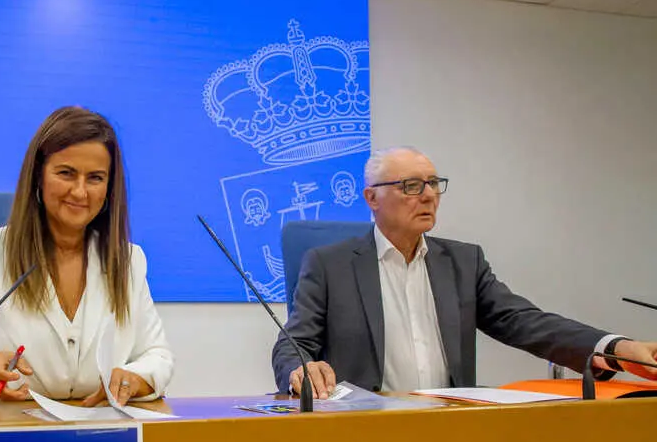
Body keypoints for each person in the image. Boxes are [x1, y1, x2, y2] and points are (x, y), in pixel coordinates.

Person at [272, 146, 657, 397]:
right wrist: (302, 369)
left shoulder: (463, 262)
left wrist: (618, 349)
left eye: (433, 184)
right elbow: (293, 345)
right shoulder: (329, 264)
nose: (428, 195)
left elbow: (525, 322)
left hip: (452, 427)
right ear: (372, 198)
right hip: (365, 432)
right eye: (411, 185)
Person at [0, 106, 173, 405]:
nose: (80, 192)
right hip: (16, 428)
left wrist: (132, 379)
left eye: (96, 178)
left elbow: (158, 356)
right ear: (38, 175)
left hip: (102, 428)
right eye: (66, 173)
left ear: (109, 187)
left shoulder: (128, 260)